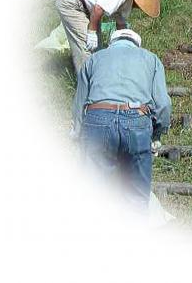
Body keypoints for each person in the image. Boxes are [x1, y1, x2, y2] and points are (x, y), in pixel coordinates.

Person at [73, 29, 172, 212]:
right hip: (136, 119)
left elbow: (80, 101)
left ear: (111, 43)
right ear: (137, 44)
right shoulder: (151, 59)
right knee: (136, 197)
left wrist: (77, 133)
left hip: (98, 117)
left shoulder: (94, 59)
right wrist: (157, 134)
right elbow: (163, 104)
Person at [55, 0, 162, 75]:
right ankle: (87, 87)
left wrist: (126, 46)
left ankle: (97, 78)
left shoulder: (127, 0)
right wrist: (91, 33)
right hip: (72, 2)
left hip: (86, 8)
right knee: (86, 48)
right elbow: (98, 9)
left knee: (97, 49)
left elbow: (121, 25)